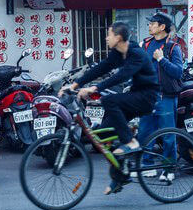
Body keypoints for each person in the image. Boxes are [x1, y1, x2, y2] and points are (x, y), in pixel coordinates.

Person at [65, 22, 159, 195]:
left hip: (147, 97)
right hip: (134, 96)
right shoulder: (118, 53)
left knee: (109, 100)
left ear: (118, 37)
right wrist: (75, 84)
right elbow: (101, 68)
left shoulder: (136, 54)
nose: (106, 38)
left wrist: (95, 88)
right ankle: (120, 177)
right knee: (102, 135)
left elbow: (122, 76)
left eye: (109, 34)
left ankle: (131, 142)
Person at [138, 12, 184, 183]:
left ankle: (168, 168)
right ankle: (148, 165)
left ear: (162, 27)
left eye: (153, 23)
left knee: (167, 135)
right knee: (144, 132)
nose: (149, 26)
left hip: (165, 97)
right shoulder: (145, 44)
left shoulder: (173, 47)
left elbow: (178, 72)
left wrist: (162, 59)